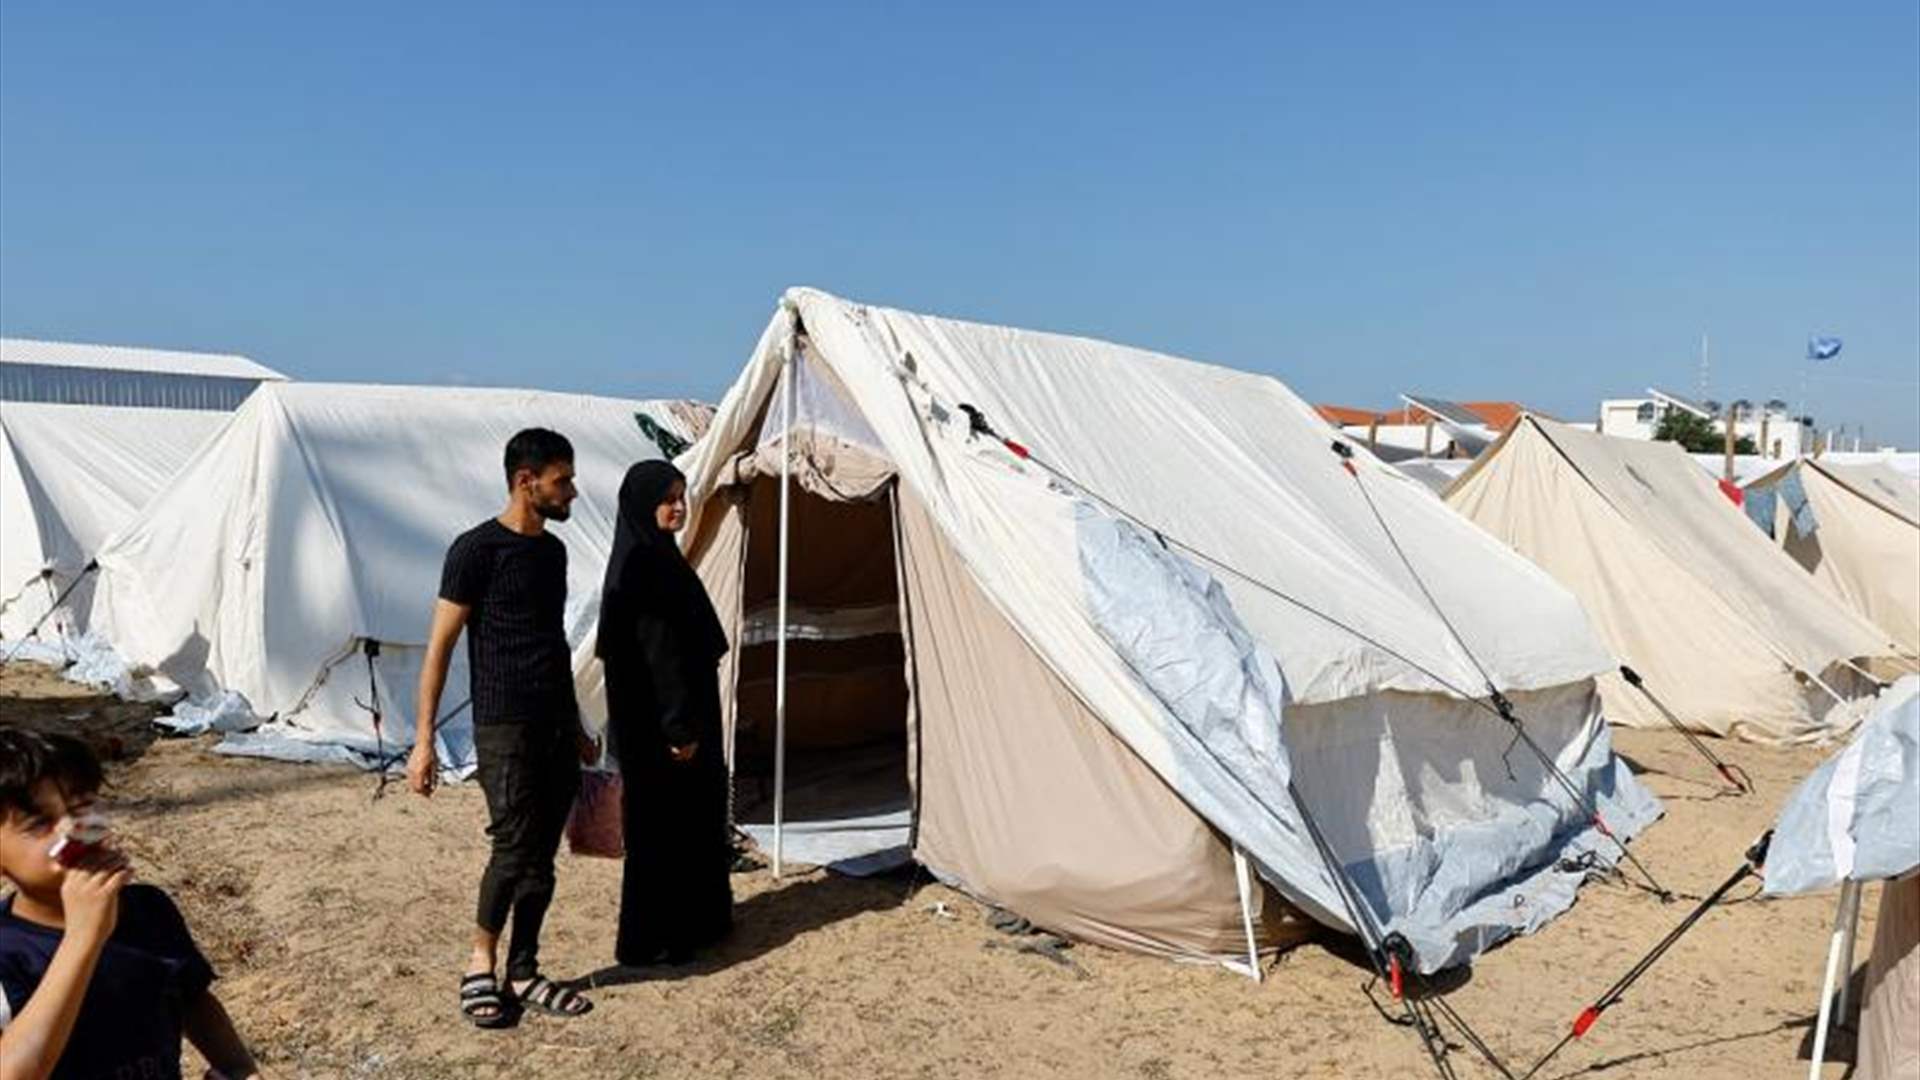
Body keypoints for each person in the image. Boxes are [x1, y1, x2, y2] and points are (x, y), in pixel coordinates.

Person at [407, 428, 599, 1027]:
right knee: (513, 849)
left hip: (553, 723)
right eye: (561, 479)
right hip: (504, 724)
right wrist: (423, 741)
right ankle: (478, 964)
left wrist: (577, 723)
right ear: (526, 481)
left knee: (542, 857)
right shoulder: (475, 551)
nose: (571, 490)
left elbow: (553, 644)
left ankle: (524, 969)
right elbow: (438, 648)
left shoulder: (553, 553)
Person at [0, 728, 264, 1080]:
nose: (71, 830)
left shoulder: (149, 909)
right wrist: (83, 937)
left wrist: (237, 1066)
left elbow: (190, 998)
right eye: (39, 823)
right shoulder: (8, 951)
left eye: (82, 807)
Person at [596, 461, 733, 966]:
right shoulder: (645, 570)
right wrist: (679, 728)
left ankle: (690, 926)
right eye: (668, 498)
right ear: (641, 504)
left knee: (682, 825)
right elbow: (658, 656)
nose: (678, 506)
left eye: (682, 496)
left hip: (670, 718)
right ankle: (664, 937)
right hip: (666, 726)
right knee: (667, 830)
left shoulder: (657, 558)